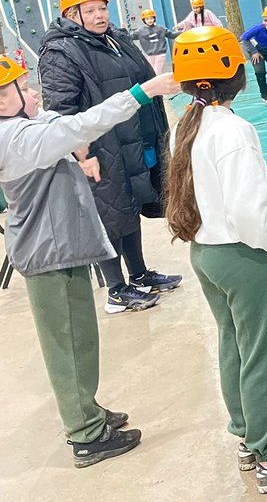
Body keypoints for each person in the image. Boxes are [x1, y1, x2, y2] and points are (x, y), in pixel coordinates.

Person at [163, 26, 267, 493]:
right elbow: (246, 207)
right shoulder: (233, 130)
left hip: (209, 253)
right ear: (225, 75)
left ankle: (249, 435)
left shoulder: (192, 123)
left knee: (236, 346)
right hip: (246, 255)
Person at [0, 53, 179, 467]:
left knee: (80, 340)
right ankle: (85, 435)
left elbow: (50, 120)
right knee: (69, 346)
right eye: (21, 88)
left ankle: (89, 413)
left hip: (59, 248)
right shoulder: (16, 138)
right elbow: (79, 124)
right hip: (49, 256)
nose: (32, 94)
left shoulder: (21, 127)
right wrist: (142, 92)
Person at [38, 0, 181, 314]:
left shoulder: (116, 39)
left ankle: (140, 275)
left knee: (129, 209)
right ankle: (116, 290)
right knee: (110, 216)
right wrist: (82, 155)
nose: (99, 15)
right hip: (102, 148)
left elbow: (144, 78)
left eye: (102, 8)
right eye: (90, 11)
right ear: (72, 16)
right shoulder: (62, 51)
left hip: (136, 140)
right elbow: (62, 110)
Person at [131, 9, 175, 74]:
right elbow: (130, 37)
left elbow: (171, 35)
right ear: (144, 20)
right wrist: (123, 30)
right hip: (150, 55)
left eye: (151, 18)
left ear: (154, 19)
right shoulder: (140, 31)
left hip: (160, 54)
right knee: (151, 72)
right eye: (147, 19)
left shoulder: (160, 29)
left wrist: (182, 33)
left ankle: (158, 83)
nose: (150, 20)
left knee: (157, 72)